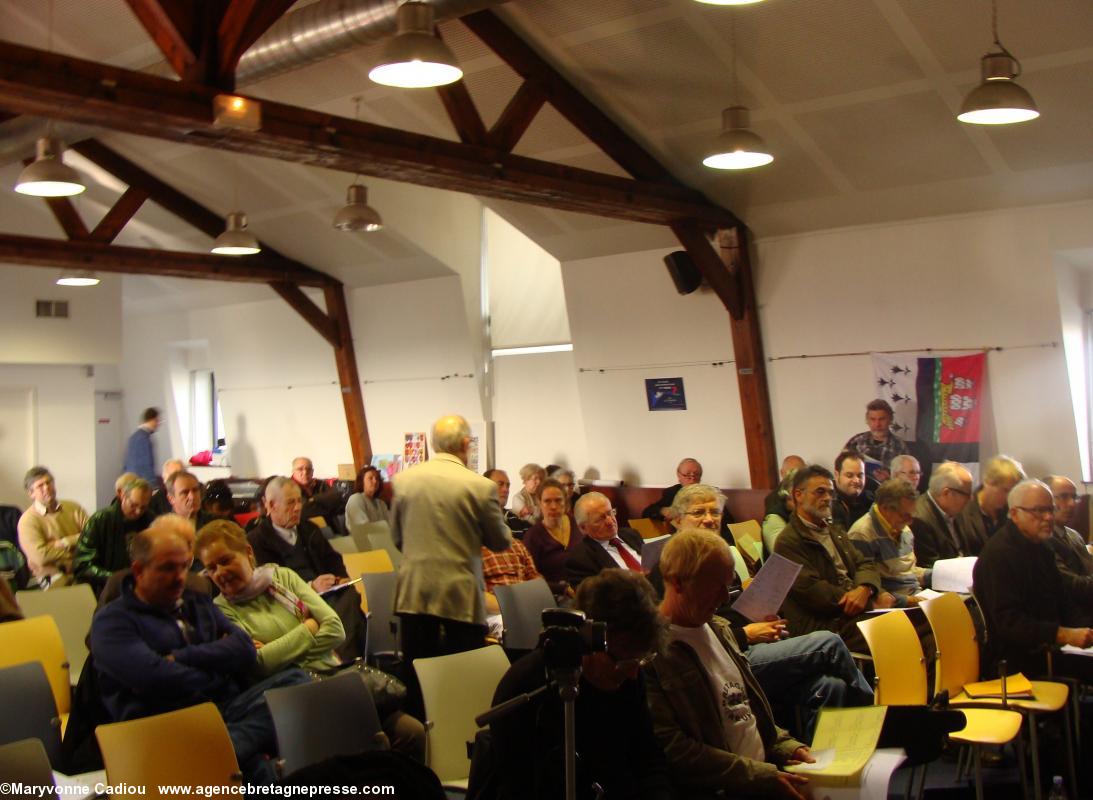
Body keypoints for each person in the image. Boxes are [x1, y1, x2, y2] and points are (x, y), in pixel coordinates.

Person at [89, 524, 308, 783]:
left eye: (184, 566)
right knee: (256, 766)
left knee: (298, 683)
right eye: (168, 568)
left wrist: (183, 657)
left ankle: (223, 750)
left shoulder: (196, 601)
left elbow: (245, 649)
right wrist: (218, 668)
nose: (180, 576)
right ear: (139, 570)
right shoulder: (112, 622)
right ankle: (228, 752)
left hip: (224, 711)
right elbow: (156, 679)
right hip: (165, 726)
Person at [195, 519, 426, 762]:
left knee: (412, 733)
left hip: (334, 677)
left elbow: (336, 630)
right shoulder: (220, 612)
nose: (220, 572)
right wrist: (309, 627)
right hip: (294, 701)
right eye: (211, 568)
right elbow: (259, 665)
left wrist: (281, 652)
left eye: (225, 561)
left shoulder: (282, 578)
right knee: (372, 746)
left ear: (248, 552)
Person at [669, 485, 872, 741]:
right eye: (698, 513)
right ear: (677, 520)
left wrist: (758, 613)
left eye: (715, 512)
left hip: (746, 645)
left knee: (831, 686)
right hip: (724, 661)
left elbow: (724, 614)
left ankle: (823, 764)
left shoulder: (716, 556)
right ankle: (877, 720)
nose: (709, 520)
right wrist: (746, 633)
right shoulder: (675, 566)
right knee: (829, 643)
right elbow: (692, 637)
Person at [647, 528, 815, 799]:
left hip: (762, 775)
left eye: (729, 585)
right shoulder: (652, 653)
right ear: (678, 583)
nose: (726, 598)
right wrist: (760, 775)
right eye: (716, 586)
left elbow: (745, 709)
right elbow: (675, 749)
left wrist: (785, 745)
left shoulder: (719, 628)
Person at [490, 569, 674, 800]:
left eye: (640, 660)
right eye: (623, 662)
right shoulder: (527, 689)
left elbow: (648, 758)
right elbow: (521, 788)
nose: (632, 674)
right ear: (586, 639)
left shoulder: (629, 673)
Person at [391, 414, 512, 718]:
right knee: (464, 672)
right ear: (464, 444)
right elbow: (500, 542)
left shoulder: (404, 481)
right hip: (460, 594)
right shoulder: (480, 487)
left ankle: (421, 740)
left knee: (417, 674)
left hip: (414, 592)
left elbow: (396, 537)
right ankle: (460, 734)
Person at [973, 479, 1093, 680]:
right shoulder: (999, 555)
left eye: (1050, 510)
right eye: (1038, 511)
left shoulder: (1041, 546)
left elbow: (1062, 602)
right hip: (1017, 662)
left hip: (1046, 647)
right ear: (1014, 514)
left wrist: (1085, 628)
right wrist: (1063, 634)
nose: (1048, 517)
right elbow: (1009, 624)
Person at [774, 465, 894, 650]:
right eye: (820, 492)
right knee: (900, 632)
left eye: (831, 492)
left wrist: (866, 589)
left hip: (852, 611)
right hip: (825, 624)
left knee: (922, 623)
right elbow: (815, 594)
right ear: (798, 495)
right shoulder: (788, 541)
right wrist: (868, 602)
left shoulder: (833, 530)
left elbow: (865, 563)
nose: (828, 498)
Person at [248, 477, 364, 661]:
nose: (297, 508)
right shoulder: (257, 541)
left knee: (350, 594)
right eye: (290, 502)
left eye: (299, 501)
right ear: (271, 505)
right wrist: (310, 587)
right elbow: (270, 584)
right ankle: (344, 659)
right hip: (291, 602)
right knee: (340, 609)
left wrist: (341, 578)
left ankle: (348, 658)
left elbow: (333, 559)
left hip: (325, 593)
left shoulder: (309, 529)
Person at [847, 479, 927, 603]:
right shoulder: (862, 533)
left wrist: (937, 575)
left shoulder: (904, 529)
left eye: (912, 515)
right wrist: (908, 601)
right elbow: (868, 586)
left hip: (917, 596)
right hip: (894, 607)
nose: (910, 521)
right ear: (885, 508)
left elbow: (909, 572)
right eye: (905, 515)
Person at [73, 477, 155, 595]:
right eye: (133, 505)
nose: (138, 512)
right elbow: (82, 565)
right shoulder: (101, 520)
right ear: (122, 497)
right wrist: (118, 577)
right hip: (105, 588)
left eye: (143, 507)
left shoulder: (150, 520)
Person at [17, 466, 88, 589]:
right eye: (40, 486)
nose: (47, 488)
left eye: (49, 482)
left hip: (82, 568)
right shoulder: (27, 521)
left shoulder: (73, 508)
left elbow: (93, 536)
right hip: (51, 575)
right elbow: (41, 557)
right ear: (31, 493)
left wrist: (64, 542)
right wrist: (77, 549)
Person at [565, 492, 644, 588]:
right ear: (583, 528)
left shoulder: (631, 535)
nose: (610, 521)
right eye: (600, 519)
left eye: (610, 513)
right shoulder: (580, 559)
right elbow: (594, 598)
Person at [1043, 475, 1093, 624]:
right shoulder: (1042, 541)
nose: (1071, 504)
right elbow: (1072, 586)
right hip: (1069, 620)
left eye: (1074, 497)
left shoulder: (1073, 535)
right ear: (1045, 500)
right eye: (1063, 497)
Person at [910, 461, 974, 568]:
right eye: (966, 494)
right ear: (946, 493)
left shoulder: (956, 511)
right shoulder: (919, 520)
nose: (970, 499)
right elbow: (931, 567)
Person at [522, 478, 582, 591]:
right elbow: (529, 579)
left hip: (584, 588)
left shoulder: (576, 523)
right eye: (547, 501)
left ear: (565, 502)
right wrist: (562, 589)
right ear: (539, 503)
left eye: (558, 500)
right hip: (555, 595)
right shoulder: (533, 536)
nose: (553, 506)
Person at [959, 454, 1026, 555]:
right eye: (1005, 490)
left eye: (1013, 492)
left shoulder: (1012, 510)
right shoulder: (963, 510)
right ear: (987, 482)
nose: (1009, 497)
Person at [843, 399, 908, 483]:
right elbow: (840, 466)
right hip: (858, 489)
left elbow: (907, 478)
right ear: (867, 420)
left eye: (882, 419)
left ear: (890, 420)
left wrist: (890, 478)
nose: (877, 424)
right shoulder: (856, 441)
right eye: (873, 419)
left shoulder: (899, 445)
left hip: (887, 492)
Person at [831, 451, 871, 530]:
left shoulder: (870, 500)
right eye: (849, 475)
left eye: (860, 475)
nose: (856, 480)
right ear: (836, 475)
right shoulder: (827, 503)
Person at [485, 469, 531, 536]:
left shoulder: (518, 522)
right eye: (500, 484)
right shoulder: (473, 521)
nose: (505, 489)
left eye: (508, 486)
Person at [122, 407, 160, 483]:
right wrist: (154, 485)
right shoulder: (144, 438)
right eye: (157, 421)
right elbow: (146, 465)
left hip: (130, 482)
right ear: (152, 420)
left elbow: (126, 464)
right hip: (141, 484)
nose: (158, 424)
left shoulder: (133, 437)